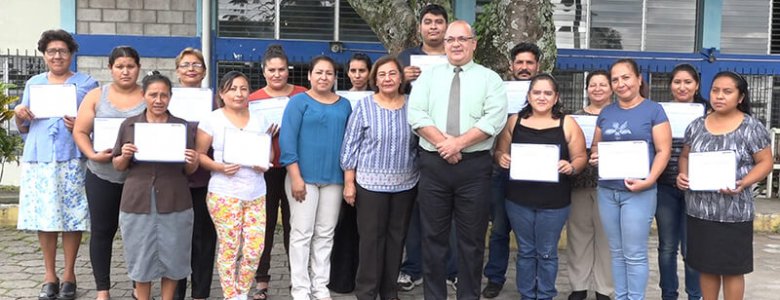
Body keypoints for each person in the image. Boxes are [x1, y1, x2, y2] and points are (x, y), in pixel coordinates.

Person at [407, 20, 507, 300]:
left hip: (474, 168)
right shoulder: (428, 77)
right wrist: (445, 145)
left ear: (473, 43)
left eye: (463, 39)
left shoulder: (490, 79)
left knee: (472, 242)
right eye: (451, 39)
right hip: (434, 164)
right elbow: (416, 114)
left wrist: (458, 143)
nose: (456, 44)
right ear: (444, 44)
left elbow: (494, 119)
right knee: (433, 239)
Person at [14, 29, 98, 300]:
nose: (57, 56)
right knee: (45, 217)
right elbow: (24, 126)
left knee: (72, 216)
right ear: (44, 55)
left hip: (71, 156)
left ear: (71, 53)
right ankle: (49, 275)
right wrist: (19, 113)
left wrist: (81, 126)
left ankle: (69, 274)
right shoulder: (34, 83)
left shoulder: (87, 83)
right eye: (52, 51)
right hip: (39, 157)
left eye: (63, 51)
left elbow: (97, 123)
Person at [677, 71, 772, 300]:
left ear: (740, 97)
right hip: (699, 211)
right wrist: (682, 174)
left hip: (734, 213)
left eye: (727, 92)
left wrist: (743, 183)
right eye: (715, 90)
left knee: (732, 270)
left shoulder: (751, 127)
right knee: (706, 266)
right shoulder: (696, 126)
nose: (719, 96)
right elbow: (685, 157)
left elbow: (765, 162)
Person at [494, 73, 587, 299]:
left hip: (554, 202)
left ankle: (545, 294)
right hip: (518, 200)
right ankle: (527, 294)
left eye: (547, 93)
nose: (542, 97)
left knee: (546, 252)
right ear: (528, 95)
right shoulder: (515, 121)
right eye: (537, 92)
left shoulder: (567, 123)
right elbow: (499, 151)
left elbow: (581, 157)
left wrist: (571, 166)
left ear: (556, 97)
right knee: (526, 251)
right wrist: (501, 158)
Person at [589, 58, 672, 300]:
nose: (620, 83)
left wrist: (649, 180)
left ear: (638, 79)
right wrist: (596, 157)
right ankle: (621, 296)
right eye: (615, 79)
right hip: (607, 191)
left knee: (634, 253)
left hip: (640, 192)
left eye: (626, 77)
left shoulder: (654, 110)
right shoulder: (606, 112)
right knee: (616, 251)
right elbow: (596, 146)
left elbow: (663, 150)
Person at [112, 72, 200, 300]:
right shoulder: (130, 125)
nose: (158, 100)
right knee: (141, 256)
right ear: (143, 95)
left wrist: (193, 161)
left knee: (174, 255)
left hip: (175, 199)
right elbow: (118, 165)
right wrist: (124, 155)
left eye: (164, 95)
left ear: (171, 97)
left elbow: (188, 170)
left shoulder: (181, 127)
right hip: (138, 200)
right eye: (153, 95)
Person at [340, 56, 419, 300]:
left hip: (406, 183)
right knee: (371, 242)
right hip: (370, 186)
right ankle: (366, 292)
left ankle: (389, 292)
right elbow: (350, 147)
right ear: (375, 79)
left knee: (396, 240)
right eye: (382, 75)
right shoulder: (364, 106)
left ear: (401, 78)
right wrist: (349, 183)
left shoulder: (413, 105)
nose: (387, 79)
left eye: (392, 74)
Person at [73, 45, 146, 300]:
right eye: (120, 66)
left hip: (139, 179)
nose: (125, 71)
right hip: (102, 175)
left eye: (130, 66)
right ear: (110, 68)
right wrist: (92, 155)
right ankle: (102, 290)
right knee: (103, 232)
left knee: (139, 234)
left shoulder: (149, 96)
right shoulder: (96, 96)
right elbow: (80, 131)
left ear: (138, 68)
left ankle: (140, 287)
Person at [396, 4, 459, 291]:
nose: (433, 26)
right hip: (412, 141)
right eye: (428, 22)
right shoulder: (407, 57)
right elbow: (385, 90)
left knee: (453, 207)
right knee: (414, 206)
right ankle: (413, 267)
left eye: (439, 22)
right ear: (420, 27)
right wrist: (402, 81)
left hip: (451, 142)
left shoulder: (455, 55)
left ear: (447, 27)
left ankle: (452, 270)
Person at [279, 55, 352, 300]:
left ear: (335, 77)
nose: (323, 77)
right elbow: (287, 141)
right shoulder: (298, 102)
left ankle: (320, 286)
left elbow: (349, 143)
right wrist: (296, 177)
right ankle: (300, 289)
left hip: (333, 179)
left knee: (325, 234)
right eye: (319, 72)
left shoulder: (344, 105)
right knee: (301, 234)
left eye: (329, 73)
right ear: (309, 75)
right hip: (303, 179)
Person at [197, 71, 270, 300]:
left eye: (243, 88)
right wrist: (219, 167)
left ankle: (243, 291)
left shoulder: (260, 118)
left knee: (253, 249)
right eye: (232, 89)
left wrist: (264, 163)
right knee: (229, 247)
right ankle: (232, 296)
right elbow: (200, 155)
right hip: (224, 193)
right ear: (221, 93)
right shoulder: (212, 119)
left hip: (256, 192)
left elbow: (270, 151)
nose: (238, 94)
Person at [482, 41, 541, 299]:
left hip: (537, 173)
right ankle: (495, 277)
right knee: (499, 230)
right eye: (520, 62)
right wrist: (499, 156)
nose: (525, 67)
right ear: (511, 66)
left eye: (529, 63)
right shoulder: (499, 91)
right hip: (502, 171)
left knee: (533, 232)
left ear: (537, 66)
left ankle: (534, 279)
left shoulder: (545, 92)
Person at [248, 44, 307, 300]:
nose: (277, 74)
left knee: (296, 227)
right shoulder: (253, 99)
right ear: (263, 71)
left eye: (281, 69)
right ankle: (262, 282)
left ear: (288, 70)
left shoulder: (304, 94)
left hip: (297, 168)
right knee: (266, 226)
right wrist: (260, 135)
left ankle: (298, 281)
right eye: (271, 70)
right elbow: (244, 135)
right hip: (266, 170)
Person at [655, 64, 705, 300]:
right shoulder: (659, 112)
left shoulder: (708, 113)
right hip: (664, 186)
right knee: (666, 247)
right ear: (670, 86)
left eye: (687, 82)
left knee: (692, 249)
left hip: (697, 190)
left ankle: (695, 295)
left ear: (697, 85)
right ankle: (669, 294)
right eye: (677, 82)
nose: (682, 87)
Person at [172, 47, 217, 300]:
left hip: (206, 180)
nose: (191, 69)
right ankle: (176, 293)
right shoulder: (167, 98)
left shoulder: (214, 101)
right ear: (178, 71)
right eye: (186, 65)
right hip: (174, 182)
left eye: (197, 65)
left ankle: (201, 294)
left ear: (204, 71)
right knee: (177, 241)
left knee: (204, 241)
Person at [327, 52, 374, 294]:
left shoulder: (377, 98)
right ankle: (341, 279)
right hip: (342, 167)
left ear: (369, 73)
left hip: (368, 170)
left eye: (362, 71)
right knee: (342, 226)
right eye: (353, 71)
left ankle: (363, 278)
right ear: (347, 73)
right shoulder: (339, 99)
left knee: (363, 229)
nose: (357, 75)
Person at [566, 70, 613, 300]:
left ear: (611, 88)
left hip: (610, 184)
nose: (597, 89)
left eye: (602, 84)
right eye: (592, 85)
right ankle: (579, 286)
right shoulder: (574, 117)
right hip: (579, 183)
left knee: (606, 237)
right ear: (586, 89)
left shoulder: (618, 116)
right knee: (578, 236)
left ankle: (605, 289)